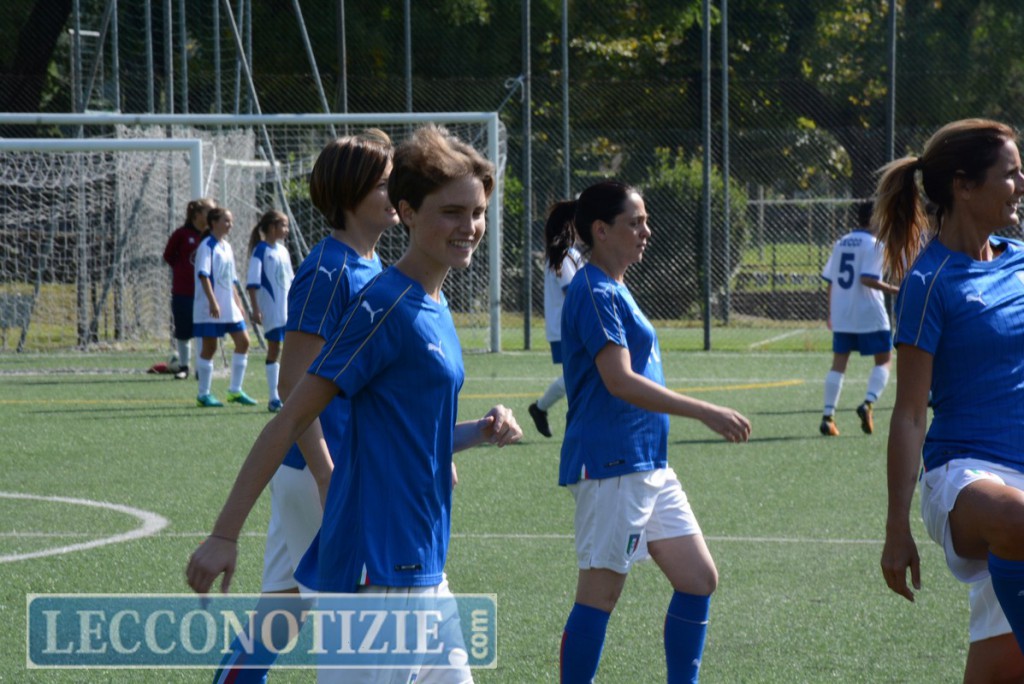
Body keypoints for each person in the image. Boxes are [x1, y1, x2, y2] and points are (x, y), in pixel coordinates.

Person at [186, 124, 522, 683]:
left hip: (420, 556)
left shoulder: (429, 302)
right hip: (374, 557)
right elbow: (292, 408)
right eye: (452, 212)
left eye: (478, 212)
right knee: (282, 613)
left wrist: (476, 433)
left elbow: (405, 424)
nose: (469, 226)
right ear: (408, 211)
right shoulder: (375, 297)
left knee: (281, 613)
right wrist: (227, 532)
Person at [213, 130, 397, 682]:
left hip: (321, 470)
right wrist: (325, 473)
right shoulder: (329, 269)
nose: (397, 194)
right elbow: (295, 381)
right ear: (350, 193)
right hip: (325, 472)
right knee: (368, 638)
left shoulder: (369, 265)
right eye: (386, 184)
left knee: (279, 617)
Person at [553, 181, 751, 683]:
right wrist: (704, 411)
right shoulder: (594, 290)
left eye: (645, 221)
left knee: (698, 578)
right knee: (599, 596)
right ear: (601, 231)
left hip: (647, 463)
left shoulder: (614, 286)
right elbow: (619, 381)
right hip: (611, 463)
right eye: (635, 222)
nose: (647, 231)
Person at [878, 118, 1024, 683]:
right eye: (1010, 174)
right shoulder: (928, 282)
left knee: (999, 664)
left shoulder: (1019, 260)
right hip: (964, 477)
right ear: (964, 186)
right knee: (1016, 518)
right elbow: (910, 414)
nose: (1021, 184)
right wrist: (896, 527)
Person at [818, 200, 899, 437]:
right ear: (874, 219)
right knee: (884, 360)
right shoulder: (875, 244)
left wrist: (831, 312)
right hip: (869, 312)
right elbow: (867, 279)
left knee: (839, 363)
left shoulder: (841, 242)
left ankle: (828, 416)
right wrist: (896, 289)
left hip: (843, 312)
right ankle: (868, 403)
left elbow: (830, 281)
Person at [528, 207, 583, 438]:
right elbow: (573, 292)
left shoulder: (568, 254)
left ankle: (540, 408)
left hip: (567, 328)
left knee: (579, 376)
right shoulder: (564, 256)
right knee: (579, 376)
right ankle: (544, 410)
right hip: (567, 329)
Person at [193, 207, 256, 407]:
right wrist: (213, 302)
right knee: (210, 348)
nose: (230, 225)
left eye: (231, 221)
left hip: (229, 307)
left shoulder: (226, 246)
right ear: (214, 223)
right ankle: (203, 395)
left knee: (244, 342)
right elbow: (203, 276)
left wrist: (238, 303)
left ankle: (235, 391)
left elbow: (231, 279)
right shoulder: (207, 246)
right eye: (226, 221)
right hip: (210, 308)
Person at [245, 209, 295, 413]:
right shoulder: (261, 250)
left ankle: (288, 395)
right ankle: (274, 397)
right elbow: (252, 282)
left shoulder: (283, 251)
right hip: (272, 308)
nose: (287, 229)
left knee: (291, 350)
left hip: (287, 308)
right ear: (272, 227)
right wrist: (255, 308)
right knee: (274, 349)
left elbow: (291, 280)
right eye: (284, 225)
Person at [162, 197, 216, 380]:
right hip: (184, 292)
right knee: (183, 330)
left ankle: (202, 367)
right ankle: (184, 367)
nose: (212, 215)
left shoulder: (211, 237)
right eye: (209, 211)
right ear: (197, 214)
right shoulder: (182, 234)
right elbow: (169, 256)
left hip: (206, 293)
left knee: (203, 330)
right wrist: (183, 271)